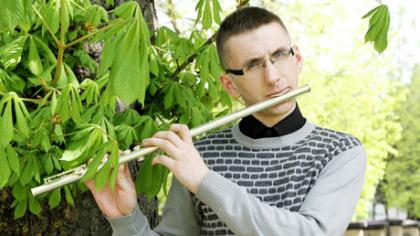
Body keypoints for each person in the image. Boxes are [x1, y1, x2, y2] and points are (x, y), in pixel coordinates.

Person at [86, 6, 367, 236]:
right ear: (230, 85)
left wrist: (205, 181)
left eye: (279, 55)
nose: (273, 76)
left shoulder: (340, 151)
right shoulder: (199, 155)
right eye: (253, 65)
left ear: (297, 58)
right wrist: (125, 218)